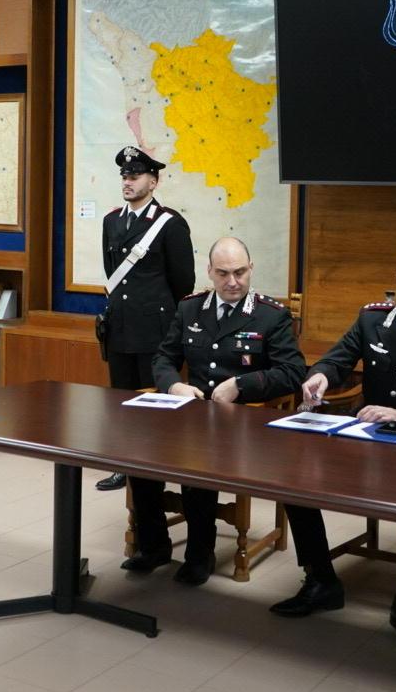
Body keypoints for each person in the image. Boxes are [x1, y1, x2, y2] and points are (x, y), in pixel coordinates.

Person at [273, 247, 396, 651]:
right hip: (365, 441)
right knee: (294, 484)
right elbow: (338, 360)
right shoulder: (372, 320)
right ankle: (322, 581)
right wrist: (320, 377)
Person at [126, 236, 306, 584]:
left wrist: (241, 385)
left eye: (240, 272)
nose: (232, 281)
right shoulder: (190, 309)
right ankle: (153, 546)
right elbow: (163, 358)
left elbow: (293, 372)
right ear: (209, 272)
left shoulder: (271, 315)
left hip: (245, 421)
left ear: (251, 269)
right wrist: (173, 386)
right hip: (192, 414)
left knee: (197, 461)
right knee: (139, 457)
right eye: (223, 273)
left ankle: (199, 555)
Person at [96, 146, 194, 492]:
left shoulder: (170, 223)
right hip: (119, 328)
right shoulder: (111, 221)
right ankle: (123, 466)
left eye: (135, 176)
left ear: (153, 182)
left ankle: (155, 468)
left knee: (155, 404)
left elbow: (183, 282)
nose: (127, 181)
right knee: (121, 402)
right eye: (124, 176)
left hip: (154, 330)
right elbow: (112, 272)